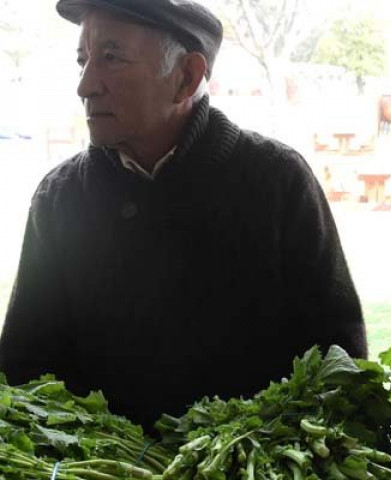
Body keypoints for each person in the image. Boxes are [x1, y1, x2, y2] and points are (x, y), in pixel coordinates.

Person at [0, 0, 367, 430]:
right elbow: (23, 371)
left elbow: (338, 358)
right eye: (83, 61)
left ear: (186, 77)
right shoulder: (60, 198)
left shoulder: (277, 182)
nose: (85, 86)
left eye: (111, 58)